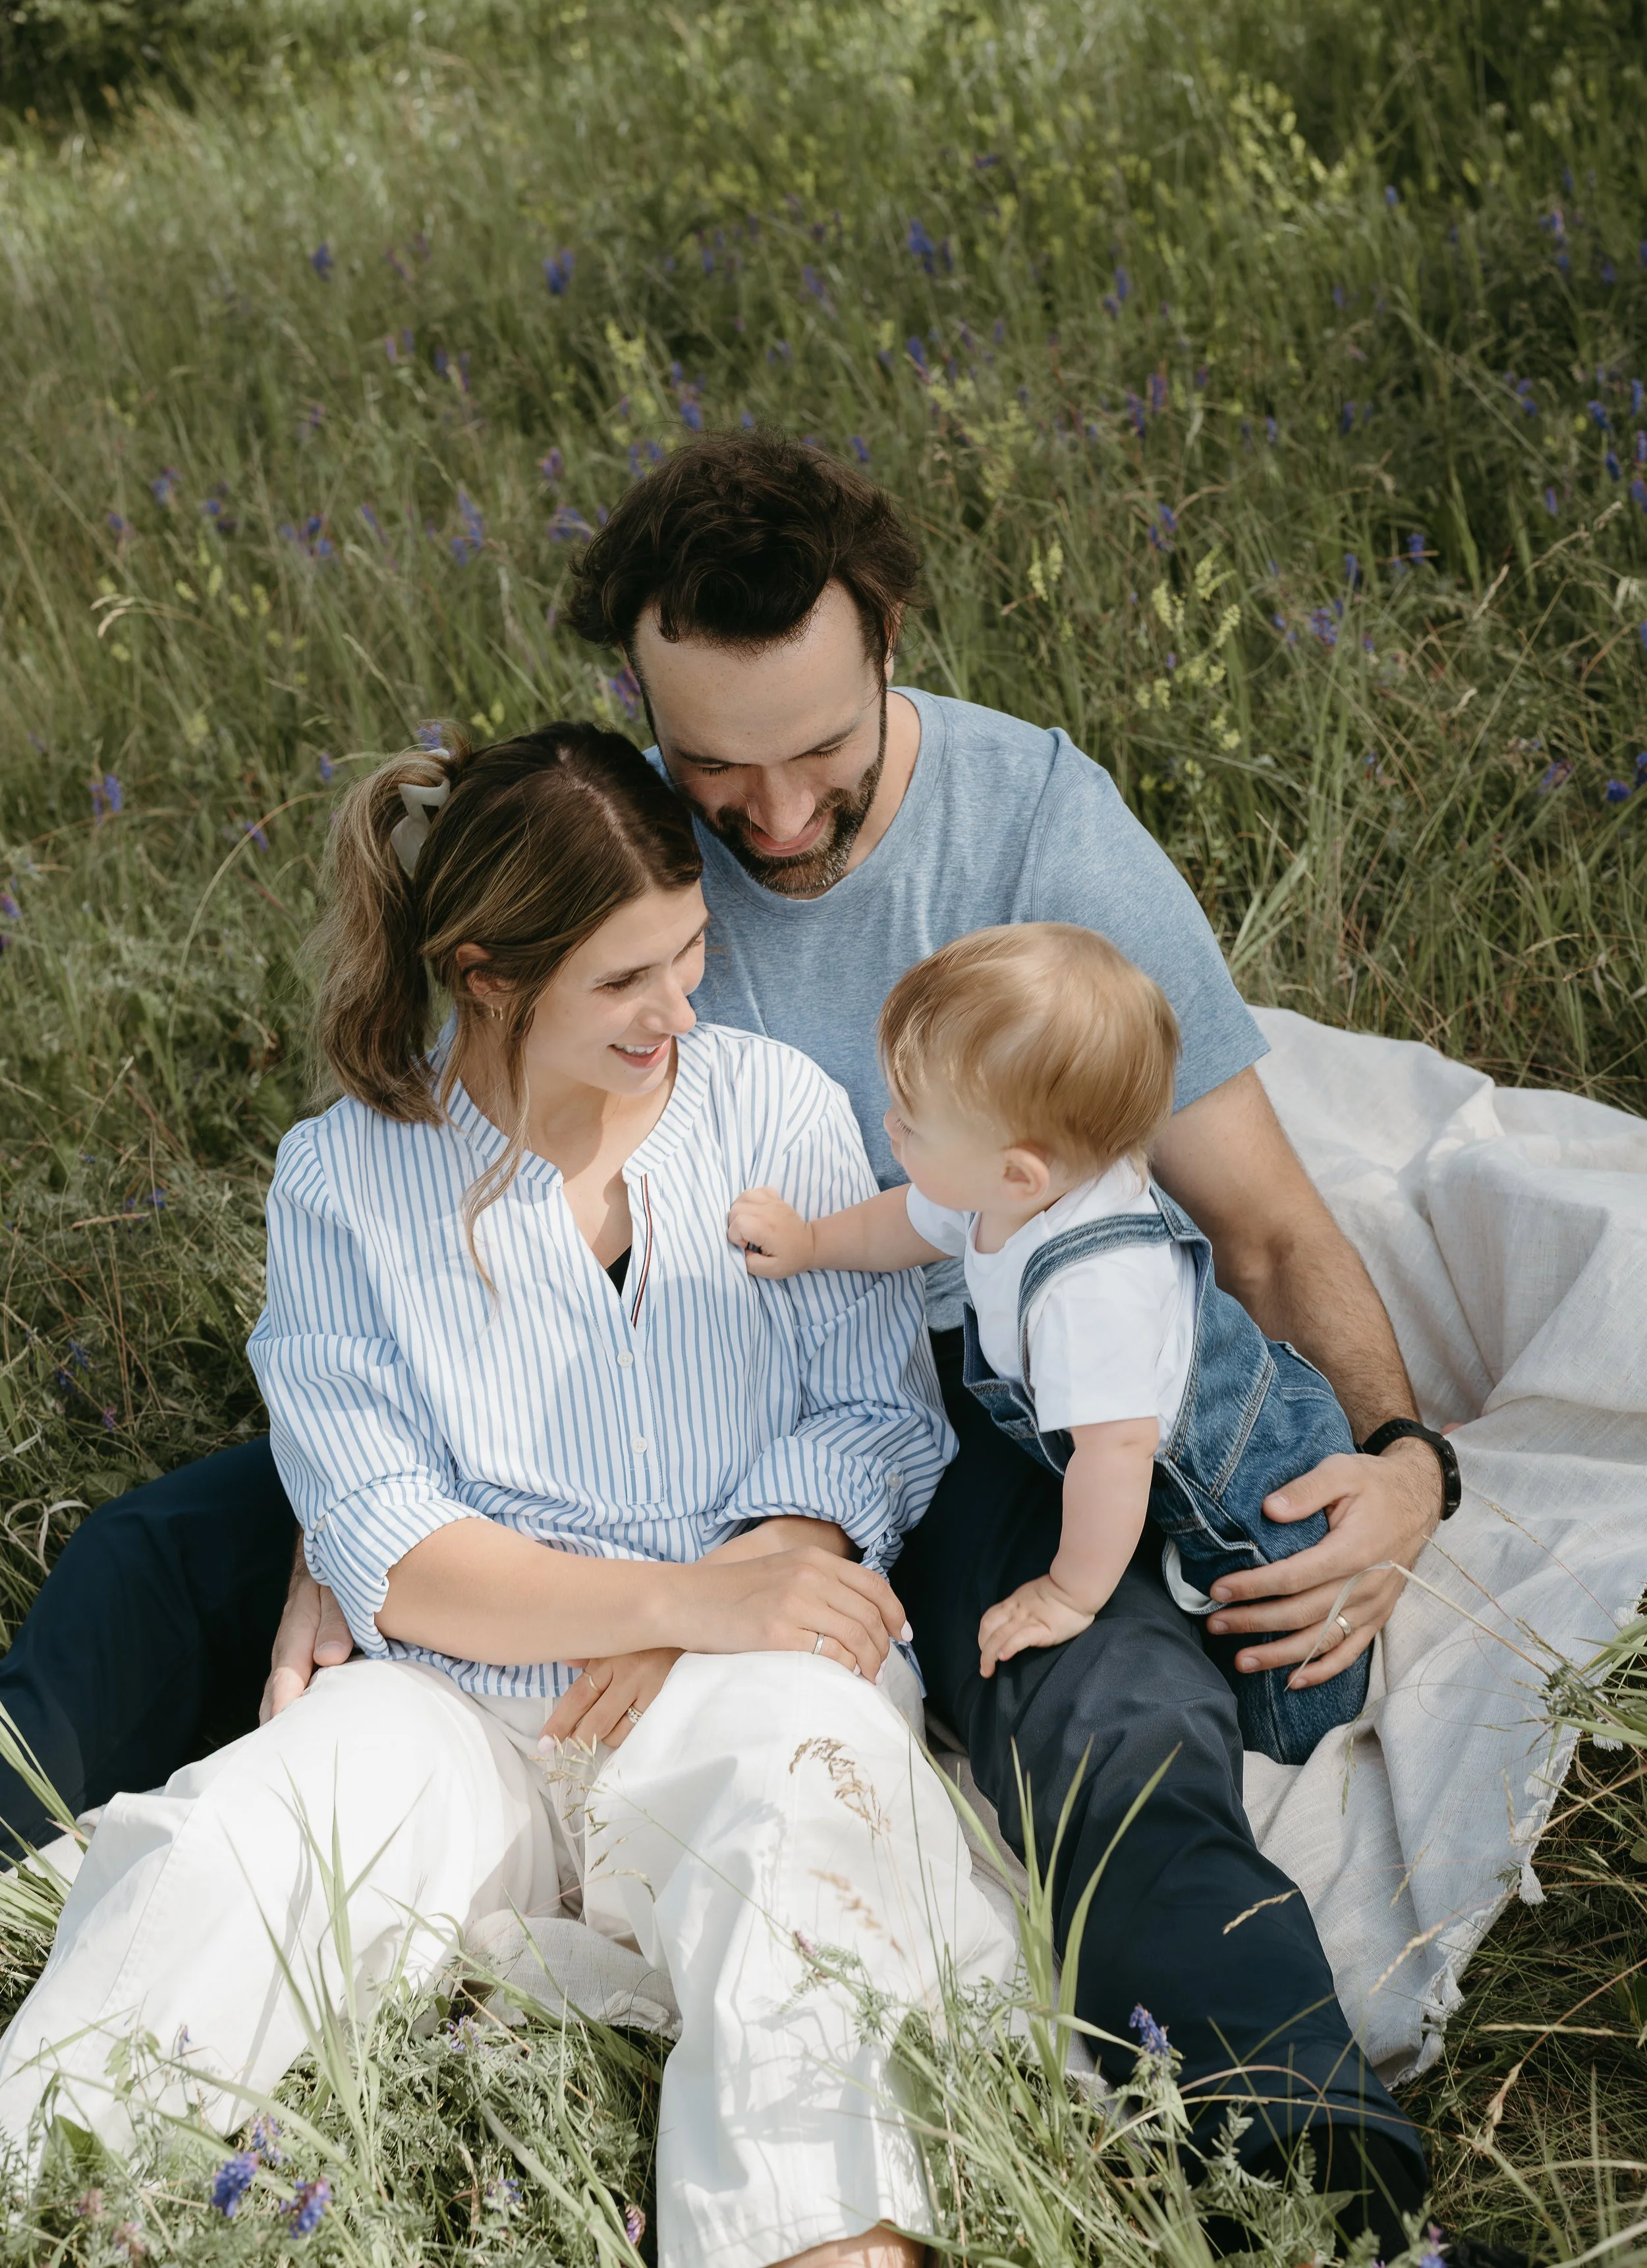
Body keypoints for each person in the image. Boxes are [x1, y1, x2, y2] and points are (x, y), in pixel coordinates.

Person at [0, 431, 1451, 2246]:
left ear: (889, 652)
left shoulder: (1001, 850)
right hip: (557, 1483)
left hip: (946, 1409)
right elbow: (385, 1306)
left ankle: (1300, 2158)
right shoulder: (581, 861)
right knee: (163, 1586)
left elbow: (1250, 1223)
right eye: (716, 775)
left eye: (814, 763)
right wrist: (358, 1526)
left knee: (1084, 1723)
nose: (763, 825)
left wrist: (1404, 1453)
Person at [0, 724, 1015, 2268]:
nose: (676, 1007)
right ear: (487, 971)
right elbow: (387, 1541)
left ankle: (819, 2246)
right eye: (625, 981)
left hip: (749, 1668)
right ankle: (42, 2177)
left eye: (689, 953)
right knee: (233, 1847)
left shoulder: (774, 1105)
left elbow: (874, 1409)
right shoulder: (346, 1176)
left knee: (805, 1799)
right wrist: (673, 1595)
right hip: (460, 1705)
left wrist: (751, 1582)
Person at [727, 922, 1371, 1767]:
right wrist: (811, 1243)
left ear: (1019, 1175)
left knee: (1285, 1669)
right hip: (1153, 1460)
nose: (888, 1128)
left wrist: (1069, 1594)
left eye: (910, 1124)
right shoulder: (993, 1188)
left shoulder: (1088, 1293)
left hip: (1252, 1498)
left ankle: (1305, 1740)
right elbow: (907, 1221)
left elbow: (1117, 1453)